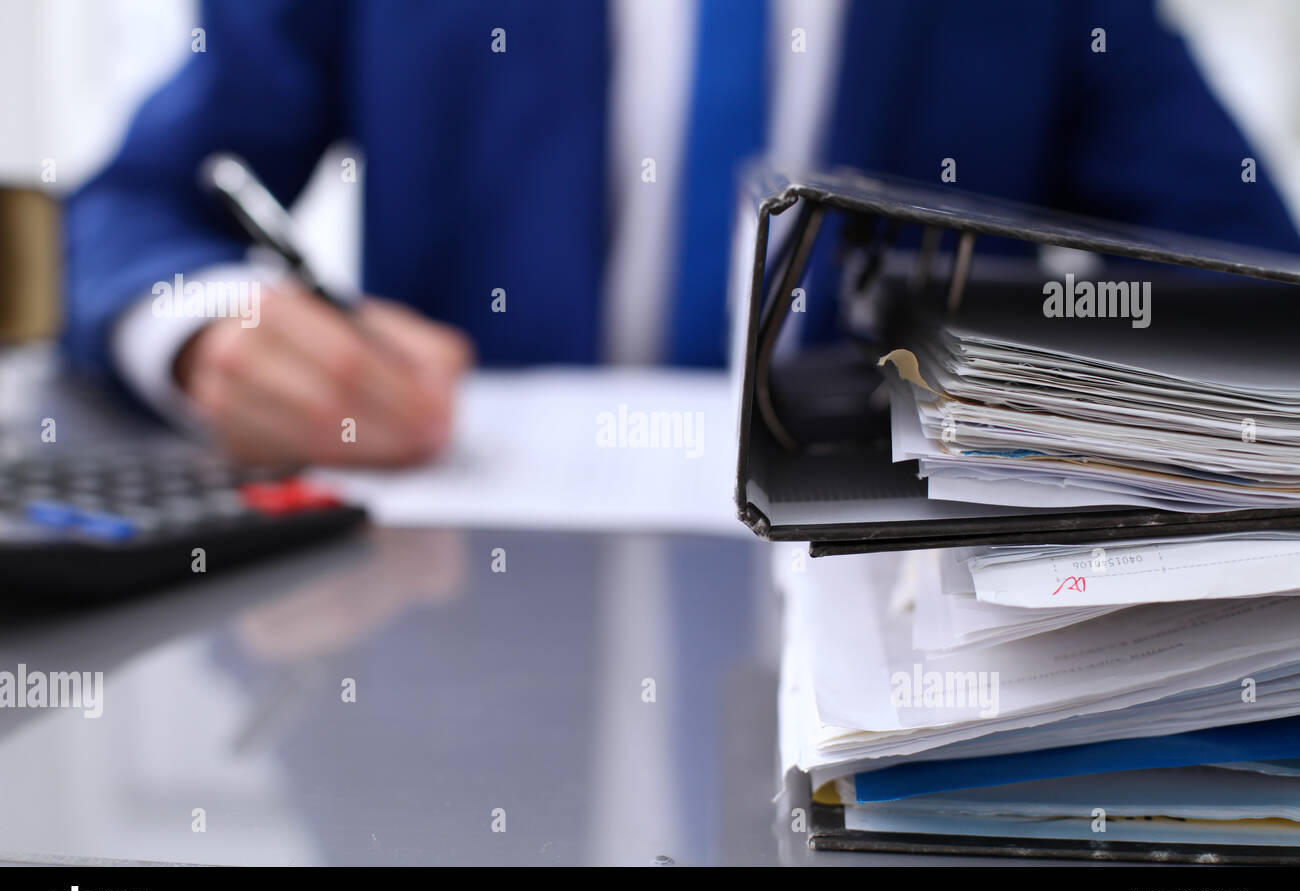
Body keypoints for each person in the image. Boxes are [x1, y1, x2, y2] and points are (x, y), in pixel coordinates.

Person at [64, 0, 1300, 465]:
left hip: (907, 630)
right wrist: (211, 330)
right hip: (453, 619)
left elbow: (1252, 285)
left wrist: (1067, 390)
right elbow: (124, 207)